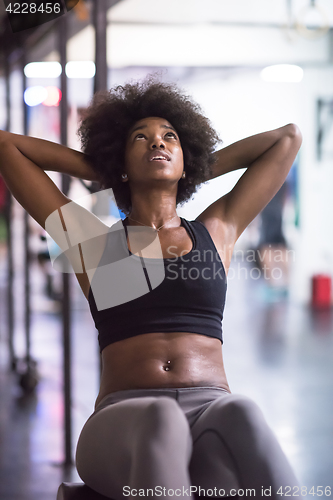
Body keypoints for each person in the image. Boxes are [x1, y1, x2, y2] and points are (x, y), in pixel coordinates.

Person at [0, 78, 303, 500]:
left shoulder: (218, 230)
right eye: (140, 139)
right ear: (121, 161)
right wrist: (102, 170)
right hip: (124, 418)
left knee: (243, 411)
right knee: (161, 417)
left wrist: (185, 166)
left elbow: (287, 138)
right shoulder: (91, 243)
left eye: (169, 138)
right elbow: (6, 146)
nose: (156, 143)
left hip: (210, 411)